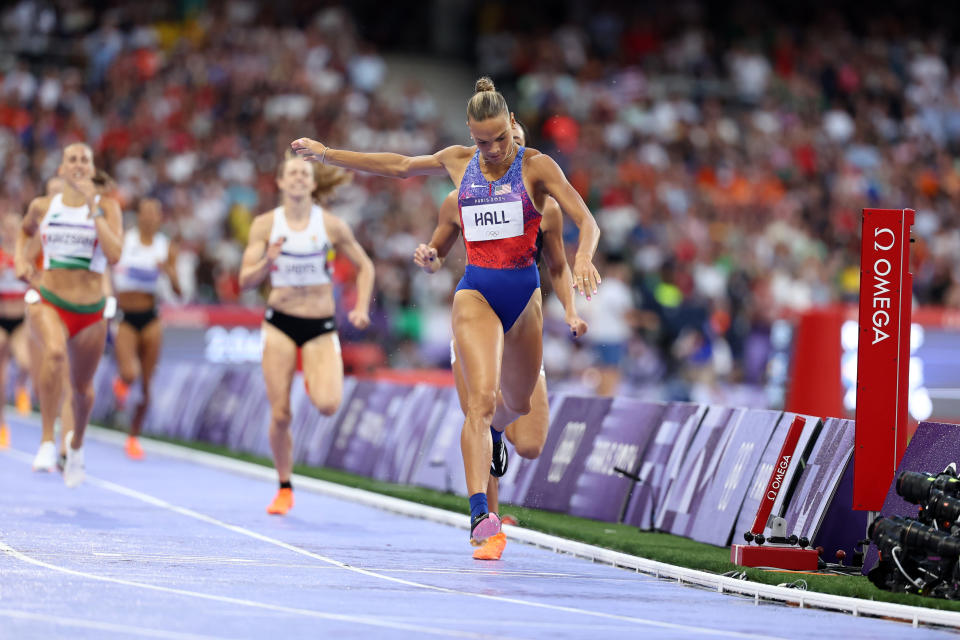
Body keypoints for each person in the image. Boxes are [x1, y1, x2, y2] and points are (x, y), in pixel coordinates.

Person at [293, 77, 601, 545]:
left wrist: (584, 258)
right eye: (483, 140)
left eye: (500, 137)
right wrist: (326, 153)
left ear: (512, 125)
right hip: (475, 292)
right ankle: (480, 515)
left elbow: (587, 219)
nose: (494, 148)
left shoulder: (536, 165)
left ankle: (498, 434)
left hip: (525, 298)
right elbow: (397, 165)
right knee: (478, 403)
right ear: (469, 133)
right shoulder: (459, 162)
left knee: (515, 406)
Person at [414, 118, 588, 558]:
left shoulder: (543, 204)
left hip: (522, 320)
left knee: (528, 442)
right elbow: (436, 252)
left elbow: (557, 266)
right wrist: (430, 258)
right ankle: (488, 525)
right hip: (477, 314)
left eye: (516, 149)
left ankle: (496, 438)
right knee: (481, 406)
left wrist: (569, 309)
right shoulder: (459, 198)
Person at [240, 153, 374, 515]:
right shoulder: (265, 225)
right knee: (280, 413)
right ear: (281, 182)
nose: (298, 178)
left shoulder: (330, 225)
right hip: (280, 321)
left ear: (314, 184)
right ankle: (284, 486)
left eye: (305, 173)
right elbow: (244, 280)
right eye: (292, 174)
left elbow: (365, 266)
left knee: (329, 404)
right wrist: (267, 261)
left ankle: (317, 376)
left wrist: (360, 307)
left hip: (319, 325)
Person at [15, 143, 123, 486]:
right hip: (50, 300)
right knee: (55, 353)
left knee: (81, 389)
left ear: (91, 170)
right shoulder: (44, 206)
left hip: (90, 311)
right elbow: (24, 230)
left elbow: (115, 253)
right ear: (61, 169)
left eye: (84, 160)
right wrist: (20, 258)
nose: (77, 165)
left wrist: (94, 208)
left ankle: (74, 446)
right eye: (71, 159)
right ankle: (48, 441)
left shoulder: (107, 207)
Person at [111, 197, 181, 460]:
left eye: (156, 213)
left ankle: (133, 436)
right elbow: (110, 270)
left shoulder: (165, 247)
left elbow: (178, 291)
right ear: (138, 216)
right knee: (130, 372)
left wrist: (169, 273)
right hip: (126, 316)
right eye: (146, 212)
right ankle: (121, 381)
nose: (151, 217)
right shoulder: (124, 241)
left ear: (160, 218)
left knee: (146, 385)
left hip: (151, 317)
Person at [0, 211, 32, 449]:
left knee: (25, 362)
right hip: (2, 319)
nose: (11, 232)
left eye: (14, 227)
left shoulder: (25, 256)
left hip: (20, 320)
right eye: (7, 227)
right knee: (1, 379)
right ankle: (2, 426)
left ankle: (21, 385)